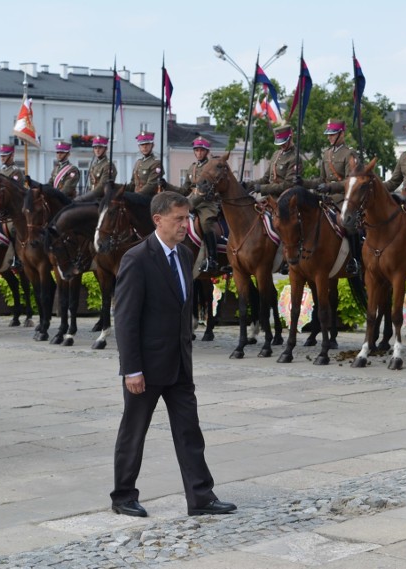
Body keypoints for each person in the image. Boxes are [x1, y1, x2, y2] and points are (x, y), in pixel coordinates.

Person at [111, 191, 236, 518]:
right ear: (158, 220)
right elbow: (125, 319)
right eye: (179, 219)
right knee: (133, 432)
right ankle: (123, 495)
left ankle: (201, 497)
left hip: (179, 364)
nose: (186, 224)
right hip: (147, 368)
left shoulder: (183, 255)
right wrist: (131, 369)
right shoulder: (137, 259)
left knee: (189, 431)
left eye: (188, 218)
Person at [301, 118, 361, 275]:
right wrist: (304, 183)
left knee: (347, 223)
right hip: (326, 200)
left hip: (342, 199)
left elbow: (350, 180)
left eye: (333, 134)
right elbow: (321, 180)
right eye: (329, 134)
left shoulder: (350, 154)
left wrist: (330, 186)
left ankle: (355, 259)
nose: (330, 137)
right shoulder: (326, 154)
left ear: (342, 134)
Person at [165, 136, 219, 272]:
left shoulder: (210, 167)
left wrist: (190, 203)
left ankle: (212, 258)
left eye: (201, 150)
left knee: (206, 223)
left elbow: (208, 191)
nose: (199, 153)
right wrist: (166, 185)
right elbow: (184, 190)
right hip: (191, 202)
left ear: (206, 152)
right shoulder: (193, 168)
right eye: (197, 150)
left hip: (207, 203)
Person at [247, 125, 299, 198]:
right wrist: (247, 185)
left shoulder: (294, 158)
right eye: (280, 143)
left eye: (284, 142)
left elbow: (288, 185)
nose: (281, 145)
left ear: (290, 139)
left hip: (286, 198)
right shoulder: (276, 154)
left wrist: (262, 188)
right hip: (271, 197)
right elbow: (265, 179)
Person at [125, 131, 164, 196]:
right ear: (139, 146)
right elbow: (132, 184)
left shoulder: (156, 163)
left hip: (150, 199)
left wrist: (134, 196)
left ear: (152, 145)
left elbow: (151, 185)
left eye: (147, 144)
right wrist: (116, 187)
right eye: (142, 145)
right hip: (137, 198)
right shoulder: (138, 162)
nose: (144, 147)